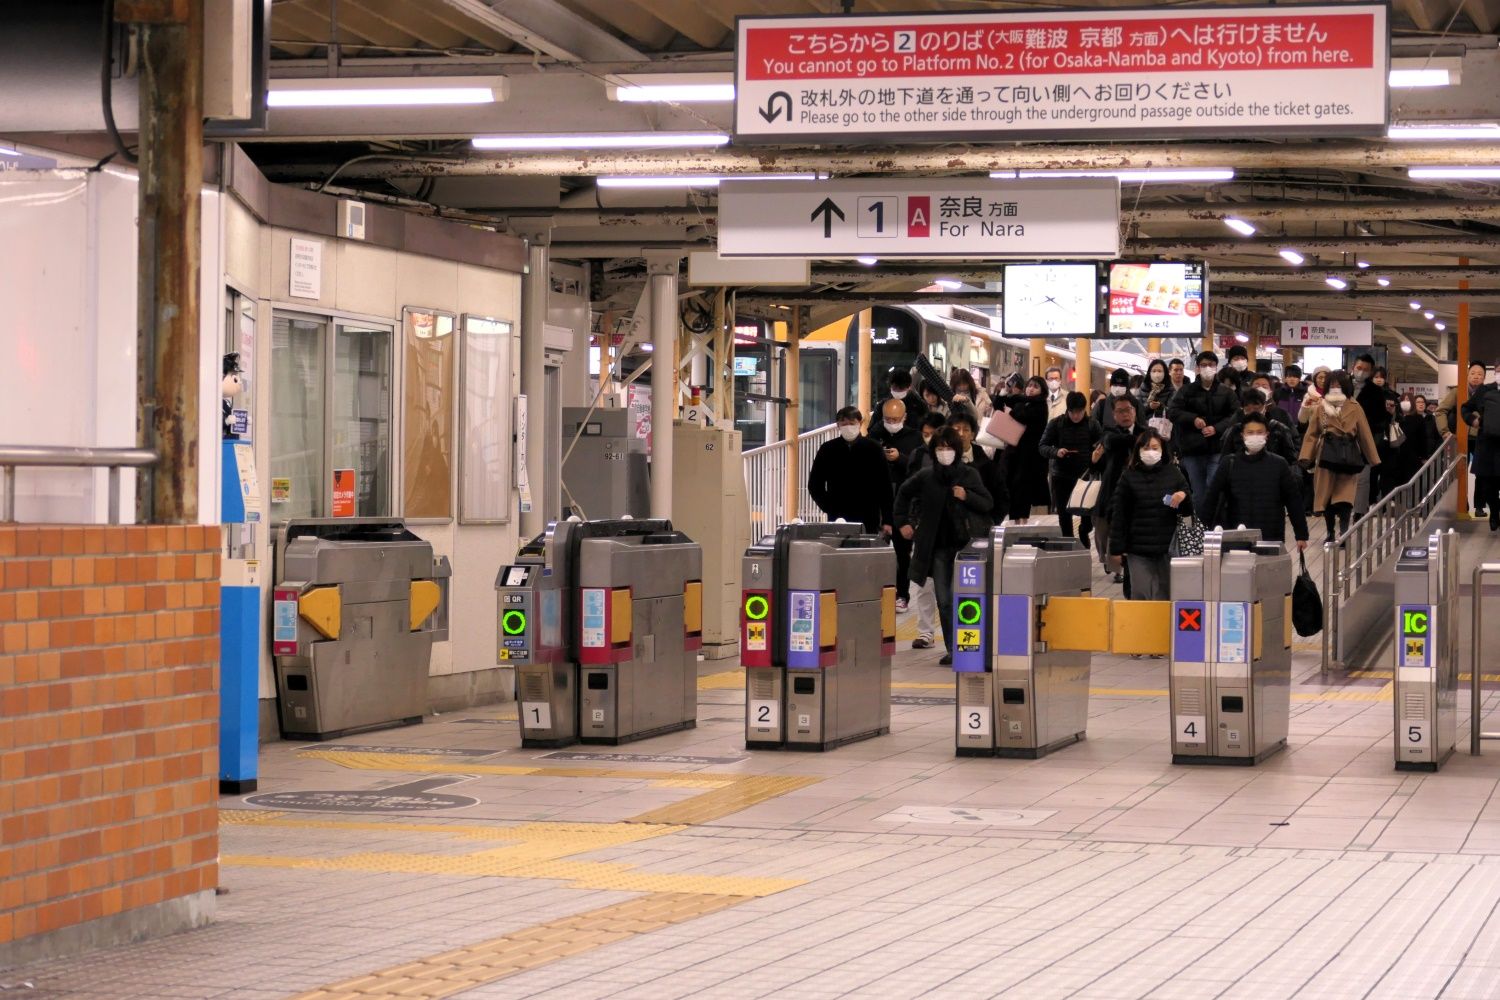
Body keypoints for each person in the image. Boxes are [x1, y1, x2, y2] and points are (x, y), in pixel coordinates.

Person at [894, 427, 993, 664]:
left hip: (966, 549)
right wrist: (902, 523)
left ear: (957, 451)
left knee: (967, 599)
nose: (944, 452)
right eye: (940, 448)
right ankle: (953, 648)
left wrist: (966, 496)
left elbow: (987, 503)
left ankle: (969, 644)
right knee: (945, 600)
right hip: (938, 548)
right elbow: (903, 494)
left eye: (949, 448)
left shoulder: (969, 475)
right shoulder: (926, 476)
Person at [1204, 414, 1310, 551]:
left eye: (1260, 432)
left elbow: (1293, 500)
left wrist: (1301, 535)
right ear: (1242, 435)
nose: (1255, 436)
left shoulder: (1279, 464)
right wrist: (1204, 530)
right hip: (1236, 535)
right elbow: (1211, 497)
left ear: (1267, 435)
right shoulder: (1229, 463)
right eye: (1250, 432)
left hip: (1271, 535)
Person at [1109, 430, 1192, 601]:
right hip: (1137, 549)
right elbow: (1119, 514)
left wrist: (1183, 497)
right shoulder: (1128, 476)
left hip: (1167, 548)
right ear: (1138, 451)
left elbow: (1188, 512)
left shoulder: (1173, 473)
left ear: (1162, 450)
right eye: (1146, 448)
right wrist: (1116, 549)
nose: (1151, 452)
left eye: (1155, 447)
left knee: (1165, 594)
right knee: (1141, 593)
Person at [1299, 369, 1381, 539]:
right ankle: (1330, 532)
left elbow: (1364, 433)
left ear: (1346, 386)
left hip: (1348, 454)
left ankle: (1344, 531)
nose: (1335, 387)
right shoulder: (1321, 407)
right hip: (1325, 455)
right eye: (1332, 384)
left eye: (1339, 384)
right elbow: (1312, 433)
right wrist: (1306, 456)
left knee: (1345, 498)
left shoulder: (1355, 407)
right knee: (1327, 496)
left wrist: (1373, 458)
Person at [868, 398, 924, 611]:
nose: (891, 422)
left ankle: (902, 595)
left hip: (904, 504)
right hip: (878, 503)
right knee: (875, 551)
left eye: (896, 419)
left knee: (903, 552)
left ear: (904, 417)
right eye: (888, 419)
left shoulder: (916, 438)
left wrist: (900, 458)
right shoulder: (874, 435)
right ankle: (876, 594)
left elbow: (920, 468)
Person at [1169, 351, 1239, 505]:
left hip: (1217, 448)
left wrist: (1217, 428)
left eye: (1211, 365)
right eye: (1204, 365)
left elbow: (1235, 415)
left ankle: (1215, 525)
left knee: (1214, 487)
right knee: (1199, 492)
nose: (1208, 368)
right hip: (1192, 450)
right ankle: (1202, 526)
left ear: (1216, 367)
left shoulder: (1226, 392)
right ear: (1198, 368)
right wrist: (1192, 419)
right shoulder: (1186, 391)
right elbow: (1172, 412)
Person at [807, 406, 891, 534]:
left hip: (869, 515)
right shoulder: (828, 449)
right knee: (838, 551)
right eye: (844, 424)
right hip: (838, 516)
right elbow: (814, 484)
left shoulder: (874, 448)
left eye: (852, 423)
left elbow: (885, 486)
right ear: (838, 425)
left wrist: (887, 519)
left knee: (865, 552)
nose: (848, 427)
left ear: (860, 423)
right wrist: (828, 507)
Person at [1040, 391, 1103, 547]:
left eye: (1079, 412)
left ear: (1084, 410)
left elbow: (1101, 444)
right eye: (1072, 412)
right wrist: (1056, 452)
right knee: (1064, 514)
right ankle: (1070, 544)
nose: (1076, 416)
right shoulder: (1056, 424)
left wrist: (1096, 454)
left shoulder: (1092, 424)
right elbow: (1042, 446)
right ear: (1067, 410)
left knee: (1088, 512)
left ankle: (1084, 530)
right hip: (1061, 475)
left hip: (1085, 475)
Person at [1094, 394, 1140, 581]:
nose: (1125, 414)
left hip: (1138, 488)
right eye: (1120, 411)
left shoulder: (1145, 431)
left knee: (1125, 528)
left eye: (1128, 409)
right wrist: (1141, 439)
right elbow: (1113, 443)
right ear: (1114, 415)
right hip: (1112, 488)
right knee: (1106, 529)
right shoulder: (1109, 433)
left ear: (1135, 411)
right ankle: (1113, 566)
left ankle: (1121, 568)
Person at [994, 375, 1049, 524]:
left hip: (1029, 458)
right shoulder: (1024, 401)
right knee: (1012, 488)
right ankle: (1015, 522)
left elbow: (1022, 416)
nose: (1031, 389)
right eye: (1029, 385)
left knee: (1023, 490)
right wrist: (1005, 391)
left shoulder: (1040, 406)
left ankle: (1022, 524)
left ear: (1042, 391)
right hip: (1014, 454)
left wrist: (1011, 410)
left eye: (1035, 387)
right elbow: (998, 405)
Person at [1437, 362, 1488, 518]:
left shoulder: (1488, 393)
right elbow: (1440, 411)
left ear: (1484, 377)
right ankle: (1461, 504)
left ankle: (1479, 506)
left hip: (1481, 438)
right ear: (1467, 375)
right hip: (1461, 438)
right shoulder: (1458, 391)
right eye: (1473, 373)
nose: (1476, 377)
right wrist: (1445, 432)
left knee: (1482, 473)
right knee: (1459, 473)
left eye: (1480, 374)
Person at [948, 407, 1008, 524]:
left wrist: (992, 521)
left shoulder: (988, 465)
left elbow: (1002, 496)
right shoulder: (943, 461)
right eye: (956, 429)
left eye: (966, 430)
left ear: (972, 435)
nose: (961, 434)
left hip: (981, 527)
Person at [1353, 357, 1399, 503]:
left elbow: (1380, 418)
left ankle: (1365, 506)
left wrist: (1390, 414)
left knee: (1367, 476)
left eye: (1365, 370)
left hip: (1372, 440)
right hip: (1345, 439)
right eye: (1359, 368)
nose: (1361, 372)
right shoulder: (1344, 385)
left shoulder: (1380, 393)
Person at [1461, 364, 1500, 530]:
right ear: (1495, 372)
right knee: (1488, 484)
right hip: (1487, 445)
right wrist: (1473, 420)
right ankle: (1495, 512)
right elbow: (1466, 408)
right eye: (1499, 370)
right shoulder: (1484, 390)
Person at [1222, 389, 1299, 464]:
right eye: (1248, 409)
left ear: (1264, 407)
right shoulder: (1235, 430)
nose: (1252, 413)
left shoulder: (1278, 428)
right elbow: (1225, 457)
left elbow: (1291, 458)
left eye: (1256, 409)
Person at [1139, 358, 1174, 428]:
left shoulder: (1170, 388)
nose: (1157, 374)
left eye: (1160, 371)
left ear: (1165, 373)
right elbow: (1138, 410)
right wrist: (1149, 407)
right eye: (1154, 371)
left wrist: (1161, 406)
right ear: (1149, 372)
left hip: (1164, 428)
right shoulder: (1143, 387)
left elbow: (1173, 411)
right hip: (1145, 427)